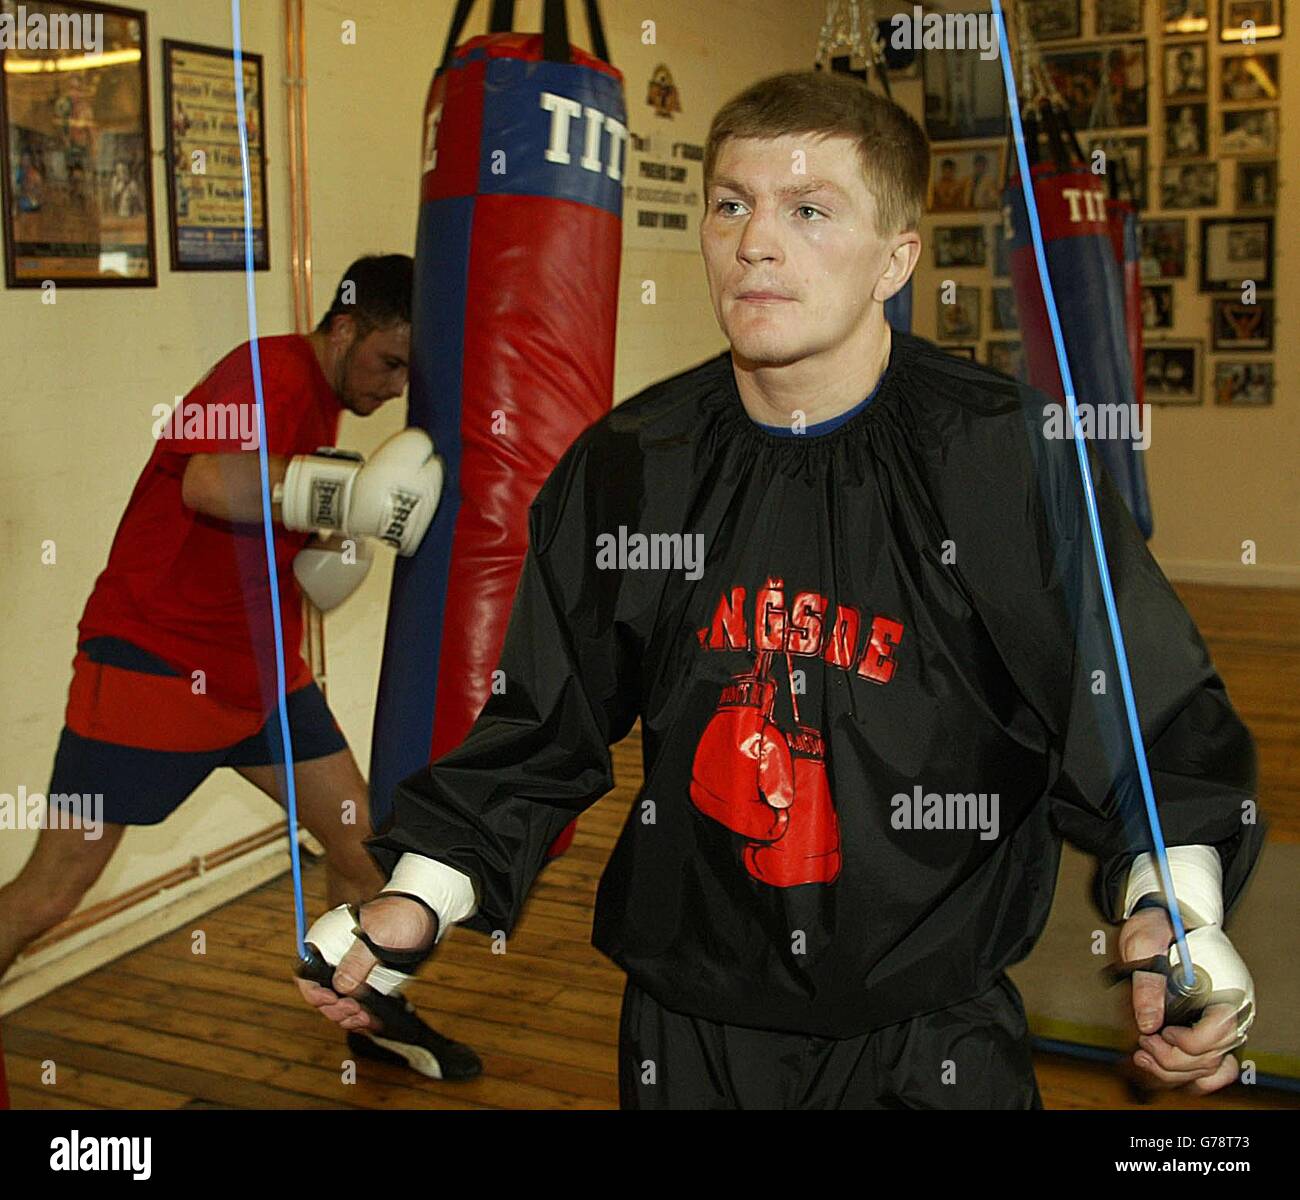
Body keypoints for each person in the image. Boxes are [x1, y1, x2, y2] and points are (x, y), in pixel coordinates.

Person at [298, 73, 1261, 1110]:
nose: (756, 241)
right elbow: (542, 723)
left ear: (896, 255)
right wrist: (420, 894)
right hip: (690, 1029)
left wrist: (1176, 911)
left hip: (926, 1033)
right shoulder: (631, 464)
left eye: (808, 209)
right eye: (731, 203)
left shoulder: (1006, 463)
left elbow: (1143, 719)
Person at [0, 255, 480, 1083]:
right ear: (344, 326)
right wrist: (343, 497)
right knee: (54, 887)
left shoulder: (316, 403)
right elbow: (207, 480)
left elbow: (272, 522)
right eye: (389, 361)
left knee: (361, 840)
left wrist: (333, 543)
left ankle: (367, 1011)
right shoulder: (267, 370)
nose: (395, 386)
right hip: (149, 664)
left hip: (260, 680)